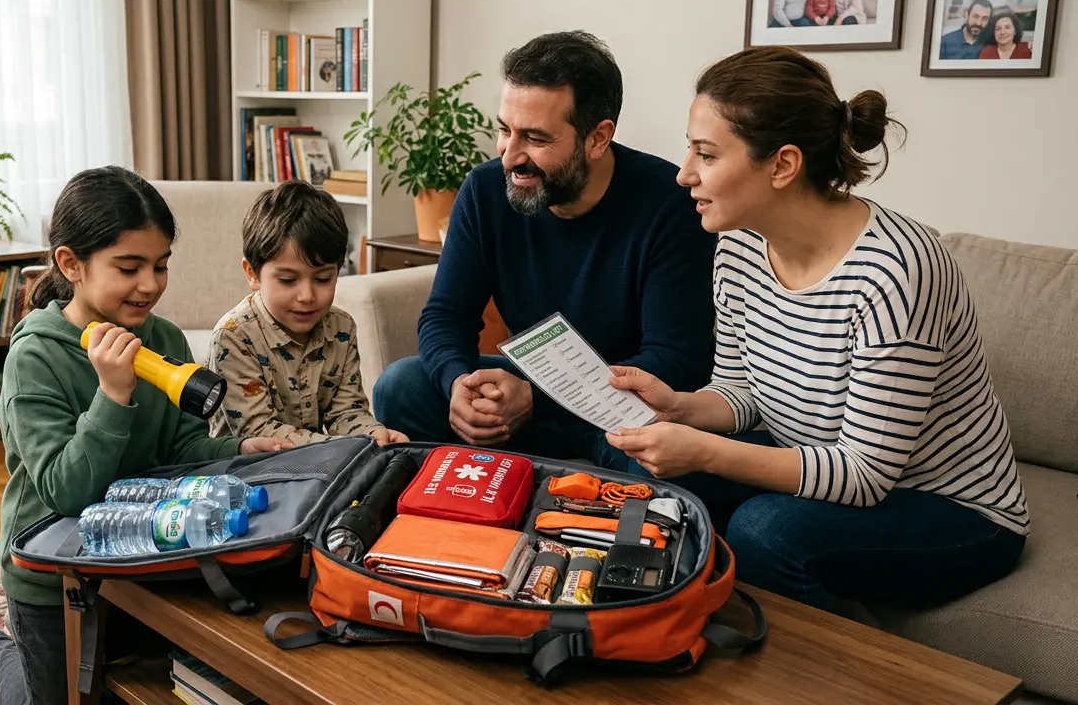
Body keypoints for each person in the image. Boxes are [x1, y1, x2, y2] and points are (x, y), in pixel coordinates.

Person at [601, 46, 1028, 612]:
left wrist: (704, 452)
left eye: (706, 154)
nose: (685, 174)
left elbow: (866, 475)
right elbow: (743, 390)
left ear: (782, 164)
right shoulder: (738, 247)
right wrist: (678, 407)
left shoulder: (896, 270)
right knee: (637, 470)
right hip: (818, 460)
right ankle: (635, 622)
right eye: (690, 150)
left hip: (952, 509)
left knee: (765, 531)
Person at [0, 167, 289, 704]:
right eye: (129, 267)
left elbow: (181, 450)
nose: (150, 284)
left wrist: (236, 449)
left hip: (137, 553)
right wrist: (112, 395)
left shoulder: (161, 338)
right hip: (54, 570)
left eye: (161, 265)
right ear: (70, 264)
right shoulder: (36, 357)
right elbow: (66, 492)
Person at [373, 30, 716, 465]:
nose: (509, 155)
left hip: (623, 414)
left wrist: (536, 399)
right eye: (504, 130)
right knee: (401, 385)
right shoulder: (484, 190)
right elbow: (445, 315)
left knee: (656, 452)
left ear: (597, 138)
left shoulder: (669, 205)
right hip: (536, 391)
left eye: (535, 138)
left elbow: (673, 361)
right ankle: (461, 500)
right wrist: (458, 384)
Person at [209, 180, 408, 446]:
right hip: (245, 472)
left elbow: (346, 412)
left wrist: (372, 434)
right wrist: (339, 447)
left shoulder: (341, 328)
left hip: (317, 464)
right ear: (252, 274)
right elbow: (258, 430)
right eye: (288, 280)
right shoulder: (233, 337)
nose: (307, 296)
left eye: (323, 279)